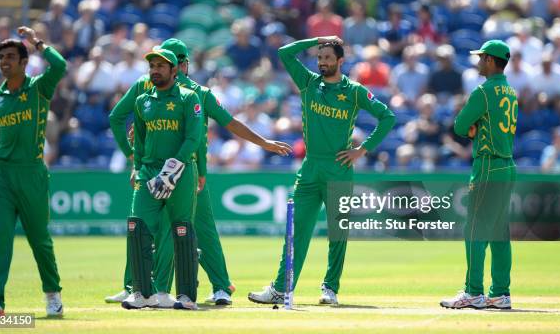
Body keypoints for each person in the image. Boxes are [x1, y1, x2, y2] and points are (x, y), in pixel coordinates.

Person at [107, 39, 291, 306]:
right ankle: (142, 288)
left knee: (186, 229)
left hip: (187, 170)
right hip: (162, 168)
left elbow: (213, 130)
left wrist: (261, 144)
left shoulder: (195, 93)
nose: (179, 68)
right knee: (148, 225)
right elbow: (120, 119)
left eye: (170, 63)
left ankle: (213, 287)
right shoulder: (148, 88)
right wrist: (135, 159)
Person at [248, 36, 395, 305]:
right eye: (319, 58)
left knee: (337, 233)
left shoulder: (354, 91)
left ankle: (330, 288)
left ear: (340, 61)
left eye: (327, 58)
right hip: (310, 168)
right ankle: (281, 287)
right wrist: (317, 40)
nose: (322, 62)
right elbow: (283, 53)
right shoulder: (308, 82)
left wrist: (362, 149)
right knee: (296, 231)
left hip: (339, 168)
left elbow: (388, 117)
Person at [0, 27, 67, 316]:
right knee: (0, 236)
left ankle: (52, 294)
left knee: (39, 238)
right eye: (1, 57)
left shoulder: (39, 88)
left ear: (24, 62)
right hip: (1, 175)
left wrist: (36, 41)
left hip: (32, 174)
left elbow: (61, 65)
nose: (4, 62)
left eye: (11, 57)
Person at [121, 48, 201, 310]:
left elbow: (193, 138)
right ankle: (141, 293)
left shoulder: (189, 98)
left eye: (161, 66)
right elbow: (140, 141)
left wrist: (173, 168)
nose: (155, 70)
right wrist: (138, 166)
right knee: (137, 228)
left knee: (182, 229)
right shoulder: (142, 100)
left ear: (174, 70)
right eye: (152, 66)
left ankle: (186, 296)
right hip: (148, 173)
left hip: (180, 173)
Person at [440, 40, 517, 310]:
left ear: (492, 61)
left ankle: (474, 292)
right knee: (499, 233)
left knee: (474, 230)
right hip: (507, 165)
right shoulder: (510, 92)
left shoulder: (484, 92)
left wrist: (473, 127)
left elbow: (460, 126)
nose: (478, 61)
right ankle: (501, 293)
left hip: (487, 166)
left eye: (482, 57)